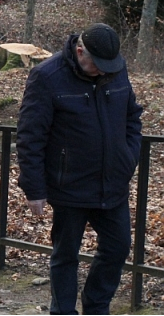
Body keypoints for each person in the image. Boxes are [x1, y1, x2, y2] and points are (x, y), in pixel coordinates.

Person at [17, 23, 141, 315]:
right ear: (80, 50)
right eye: (97, 65)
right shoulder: (47, 76)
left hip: (113, 182)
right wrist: (34, 188)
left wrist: (128, 155)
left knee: (118, 248)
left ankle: (97, 307)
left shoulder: (114, 69)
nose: (102, 70)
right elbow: (30, 136)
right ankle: (63, 311)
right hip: (68, 183)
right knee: (65, 255)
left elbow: (132, 116)